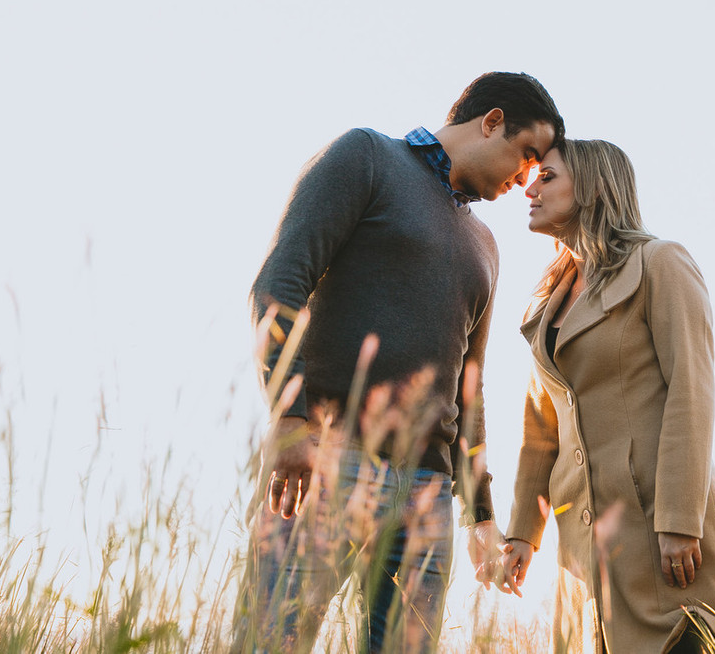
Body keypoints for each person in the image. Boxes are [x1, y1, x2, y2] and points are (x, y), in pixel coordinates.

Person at [235, 72, 564, 654]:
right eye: (527, 153)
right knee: (272, 642)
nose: (528, 177)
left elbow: (468, 387)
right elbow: (278, 285)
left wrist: (480, 512)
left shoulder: (486, 245)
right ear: (491, 122)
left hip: (428, 495)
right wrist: (289, 419)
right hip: (328, 460)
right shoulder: (366, 157)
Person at [500, 140, 715, 653]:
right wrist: (523, 533)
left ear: (592, 187)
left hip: (669, 549)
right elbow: (541, 430)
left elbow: (691, 389)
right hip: (585, 565)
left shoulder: (660, 263)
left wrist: (679, 521)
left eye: (547, 177)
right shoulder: (545, 307)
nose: (529, 189)